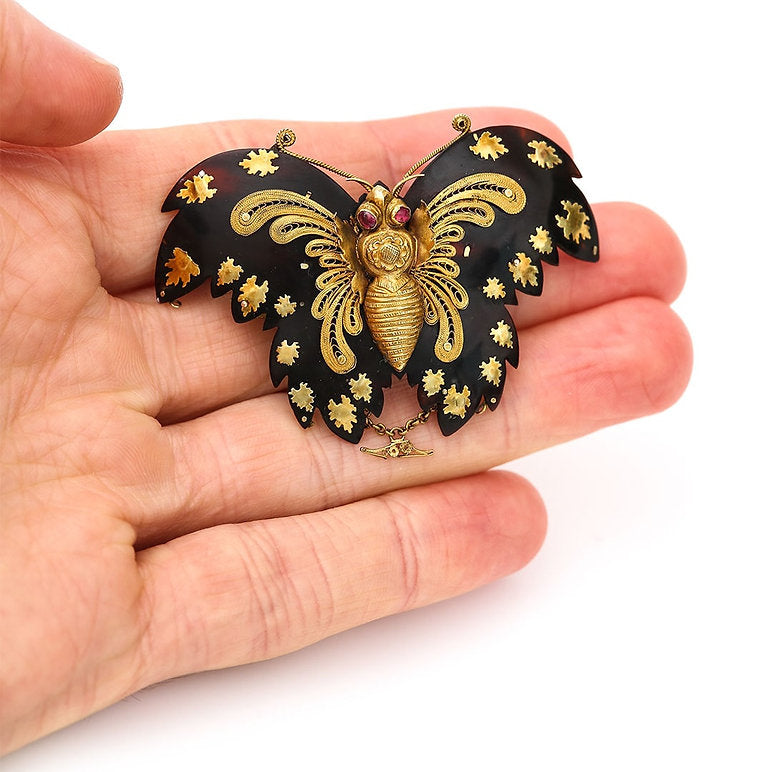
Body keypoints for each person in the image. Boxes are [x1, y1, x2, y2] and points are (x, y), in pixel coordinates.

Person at [0, 0, 692, 753]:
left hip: (360, 311)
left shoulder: (367, 203)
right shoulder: (298, 199)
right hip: (429, 310)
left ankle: (392, 392)